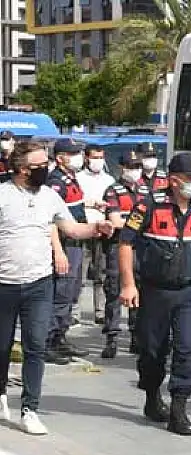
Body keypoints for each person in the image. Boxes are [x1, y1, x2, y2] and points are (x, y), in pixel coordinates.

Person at [0, 141, 114, 435]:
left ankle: (30, 408)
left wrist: (97, 229)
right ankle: (1, 394)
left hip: (39, 284)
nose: (45, 169)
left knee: (35, 346)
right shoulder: (3, 195)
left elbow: (72, 228)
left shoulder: (49, 196)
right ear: (23, 169)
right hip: (5, 285)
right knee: (2, 347)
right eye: (39, 166)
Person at [119, 152, 191, 437]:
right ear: (174, 180)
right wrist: (129, 284)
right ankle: (152, 396)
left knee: (187, 347)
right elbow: (125, 244)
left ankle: (179, 409)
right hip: (155, 291)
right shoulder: (149, 206)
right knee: (153, 351)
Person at [101, 149, 147, 358]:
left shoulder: (146, 190)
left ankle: (136, 336)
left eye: (138, 167)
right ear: (122, 168)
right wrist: (137, 225)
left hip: (142, 247)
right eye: (131, 167)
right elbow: (115, 220)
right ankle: (112, 338)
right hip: (118, 246)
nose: (135, 171)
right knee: (114, 291)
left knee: (139, 290)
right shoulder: (113, 190)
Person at [45, 138, 88, 364]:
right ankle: (48, 341)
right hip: (65, 243)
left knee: (71, 292)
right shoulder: (56, 182)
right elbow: (52, 218)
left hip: (76, 242)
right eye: (72, 153)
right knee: (60, 293)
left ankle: (60, 337)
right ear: (60, 157)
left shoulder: (71, 178)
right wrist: (58, 250)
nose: (78, 157)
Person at [78, 144, 115, 327]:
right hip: (83, 228)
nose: (98, 161)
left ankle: (100, 312)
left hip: (102, 229)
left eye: (101, 157)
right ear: (86, 158)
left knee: (101, 272)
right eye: (95, 157)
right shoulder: (78, 178)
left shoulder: (109, 179)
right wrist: (91, 203)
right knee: (80, 272)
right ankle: (75, 312)